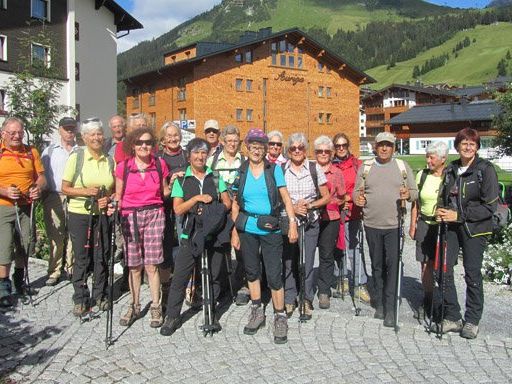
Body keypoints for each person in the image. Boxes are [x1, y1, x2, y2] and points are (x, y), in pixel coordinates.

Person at [231, 128, 298, 343]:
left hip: (271, 228)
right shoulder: (241, 171)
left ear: (265, 149)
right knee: (251, 271)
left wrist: (293, 223)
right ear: (247, 148)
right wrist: (234, 230)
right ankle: (257, 310)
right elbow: (235, 203)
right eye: (253, 147)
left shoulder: (274, 170)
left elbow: (286, 199)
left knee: (274, 273)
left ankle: (279, 316)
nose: (257, 151)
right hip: (247, 227)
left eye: (261, 147)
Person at [160, 138, 231, 336]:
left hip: (214, 233)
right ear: (189, 155)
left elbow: (227, 202)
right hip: (190, 233)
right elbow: (178, 208)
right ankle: (172, 316)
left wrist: (212, 210)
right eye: (196, 153)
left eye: (203, 153)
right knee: (181, 276)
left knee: (214, 275)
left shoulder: (215, 177)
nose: (200, 157)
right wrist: (196, 200)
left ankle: (212, 312)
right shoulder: (182, 179)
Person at [434, 128, 499, 339]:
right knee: (442, 270)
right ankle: (453, 316)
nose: (468, 147)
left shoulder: (485, 170)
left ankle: (472, 320)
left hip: (475, 229)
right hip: (450, 227)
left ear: (477, 147)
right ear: (457, 146)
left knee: (472, 273)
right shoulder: (451, 169)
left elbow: (489, 207)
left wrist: (458, 215)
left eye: (473, 143)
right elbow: (443, 197)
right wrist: (439, 211)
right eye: (464, 143)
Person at [354, 132, 417, 327]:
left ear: (393, 148)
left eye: (388, 145)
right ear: (375, 147)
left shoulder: (402, 167)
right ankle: (380, 303)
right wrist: (358, 199)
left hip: (394, 225)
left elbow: (414, 193)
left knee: (393, 266)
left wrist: (408, 194)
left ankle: (390, 307)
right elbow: (357, 193)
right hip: (372, 224)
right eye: (381, 145)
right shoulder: (366, 167)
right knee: (377, 266)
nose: (384, 148)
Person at [115, 128, 170, 328]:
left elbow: (164, 191)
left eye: (147, 142)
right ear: (132, 145)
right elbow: (118, 195)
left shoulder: (159, 164)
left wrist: (177, 184)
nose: (144, 146)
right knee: (134, 265)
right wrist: (113, 204)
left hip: (155, 214)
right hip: (131, 216)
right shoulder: (124, 167)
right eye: (139, 143)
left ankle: (156, 305)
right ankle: (135, 304)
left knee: (152, 264)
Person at [61, 117, 114, 316]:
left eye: (99, 133)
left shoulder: (109, 159)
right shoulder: (78, 157)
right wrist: (86, 191)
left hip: (101, 214)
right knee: (82, 257)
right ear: (84, 137)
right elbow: (64, 188)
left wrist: (106, 198)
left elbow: (113, 188)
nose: (96, 137)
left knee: (102, 255)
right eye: (92, 134)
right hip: (80, 214)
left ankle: (100, 294)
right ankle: (81, 297)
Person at [282, 133, 330, 319]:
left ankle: (306, 298)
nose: (296, 151)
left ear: (305, 150)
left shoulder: (314, 168)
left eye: (300, 148)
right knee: (288, 260)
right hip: (288, 220)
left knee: (308, 260)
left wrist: (309, 205)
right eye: (293, 148)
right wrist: (293, 207)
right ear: (288, 150)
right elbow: (277, 196)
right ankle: (289, 296)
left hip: (310, 221)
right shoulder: (282, 168)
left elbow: (326, 196)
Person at [0, 117, 46, 307]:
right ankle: (3, 287)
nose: (17, 136)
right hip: (4, 206)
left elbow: (41, 176)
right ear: (3, 134)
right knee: (4, 247)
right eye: (12, 133)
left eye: (20, 132)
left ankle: (20, 281)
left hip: (26, 206)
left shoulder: (31, 151)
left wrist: (38, 188)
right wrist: (4, 191)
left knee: (25, 244)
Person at [207, 124, 249, 305]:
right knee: (221, 247)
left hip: (240, 208)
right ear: (222, 142)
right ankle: (221, 285)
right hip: (220, 208)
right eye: (229, 141)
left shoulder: (245, 161)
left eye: (235, 141)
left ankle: (241, 285)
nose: (232, 144)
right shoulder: (212, 161)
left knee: (241, 247)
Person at [409, 141, 448, 319]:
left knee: (442, 265)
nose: (428, 160)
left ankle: (445, 301)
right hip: (425, 224)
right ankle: (429, 299)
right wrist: (412, 225)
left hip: (443, 225)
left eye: (432, 157)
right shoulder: (422, 175)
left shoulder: (449, 176)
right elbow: (416, 203)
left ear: (443, 159)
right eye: (427, 156)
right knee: (425, 264)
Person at [332, 133, 370, 303]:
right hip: (335, 213)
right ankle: (342, 279)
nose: (341, 149)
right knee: (338, 249)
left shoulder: (357, 165)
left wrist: (350, 199)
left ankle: (360, 283)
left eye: (344, 145)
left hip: (353, 213)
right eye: (338, 146)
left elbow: (364, 187)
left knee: (355, 248)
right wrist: (339, 201)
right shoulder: (330, 165)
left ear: (348, 146)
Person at [41, 117, 78, 286]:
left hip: (76, 197)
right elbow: (41, 176)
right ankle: (55, 270)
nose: (69, 132)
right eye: (66, 129)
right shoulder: (49, 151)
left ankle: (71, 268)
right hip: (55, 196)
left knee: (73, 235)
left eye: (72, 128)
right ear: (59, 130)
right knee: (56, 236)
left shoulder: (81, 151)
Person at [157, 121, 187, 309]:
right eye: (169, 136)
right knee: (166, 246)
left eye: (175, 135)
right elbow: (157, 187)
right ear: (162, 140)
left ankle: (189, 282)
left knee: (186, 243)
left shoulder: (186, 156)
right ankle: (166, 286)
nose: (173, 138)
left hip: (185, 206)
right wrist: (170, 179)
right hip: (166, 207)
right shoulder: (158, 159)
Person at [314, 136, 346, 310]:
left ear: (332, 153)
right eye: (320, 151)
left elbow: (342, 196)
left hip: (330, 218)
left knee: (326, 255)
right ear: (315, 153)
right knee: (307, 254)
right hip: (311, 218)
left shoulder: (337, 172)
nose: (323, 154)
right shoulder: (310, 170)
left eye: (327, 151)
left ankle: (324, 290)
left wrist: (333, 202)